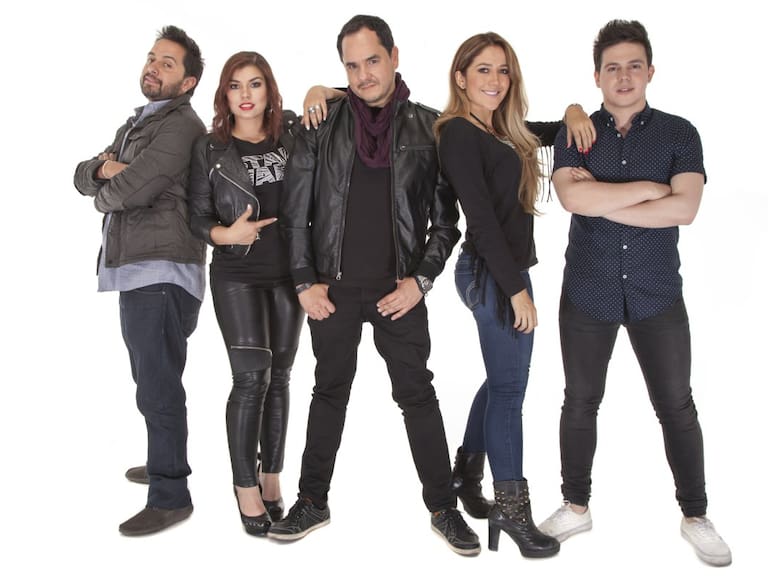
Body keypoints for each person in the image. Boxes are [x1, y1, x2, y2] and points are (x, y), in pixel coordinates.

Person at [269, 14, 480, 556]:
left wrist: (420, 282)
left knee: (417, 396)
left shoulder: (430, 129)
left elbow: (446, 224)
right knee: (328, 393)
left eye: (372, 60)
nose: (363, 74)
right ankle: (311, 502)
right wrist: (304, 282)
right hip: (332, 292)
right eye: (352, 65)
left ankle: (444, 508)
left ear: (394, 57)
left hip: (397, 293)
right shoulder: (320, 123)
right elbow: (295, 214)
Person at [537, 19, 732, 567]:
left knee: (676, 405)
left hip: (657, 292)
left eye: (634, 66)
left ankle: (696, 515)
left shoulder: (679, 133)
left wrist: (604, 198)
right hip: (588, 290)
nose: (623, 76)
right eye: (612, 67)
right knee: (580, 402)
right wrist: (648, 190)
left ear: (650, 71)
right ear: (596, 76)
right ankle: (575, 506)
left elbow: (685, 209)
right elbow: (573, 201)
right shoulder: (575, 133)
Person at [435, 32, 596, 558]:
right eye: (483, 70)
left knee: (503, 380)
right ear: (461, 77)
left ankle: (466, 475)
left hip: (505, 271)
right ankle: (511, 508)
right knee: (510, 391)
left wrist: (574, 109)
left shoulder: (503, 129)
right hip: (491, 273)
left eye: (503, 70)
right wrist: (517, 291)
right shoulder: (458, 133)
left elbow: (552, 131)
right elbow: (480, 220)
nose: (495, 80)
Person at [188, 52, 341, 536]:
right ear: (224, 94)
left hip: (290, 275)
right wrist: (224, 235)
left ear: (269, 90)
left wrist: (320, 90)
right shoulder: (210, 148)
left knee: (281, 378)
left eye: (255, 84)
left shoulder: (292, 132)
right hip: (238, 274)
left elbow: (352, 99)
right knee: (251, 379)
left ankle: (271, 478)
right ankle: (244, 487)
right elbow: (196, 216)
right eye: (235, 86)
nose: (246, 94)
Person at [73, 25, 206, 536]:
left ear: (188, 82)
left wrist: (109, 180)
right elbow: (82, 174)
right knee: (150, 378)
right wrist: (104, 170)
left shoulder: (181, 125)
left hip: (163, 270)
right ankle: (162, 458)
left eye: (167, 63)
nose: (154, 66)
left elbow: (133, 189)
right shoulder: (139, 122)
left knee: (157, 382)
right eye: (153, 57)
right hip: (139, 268)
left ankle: (170, 495)